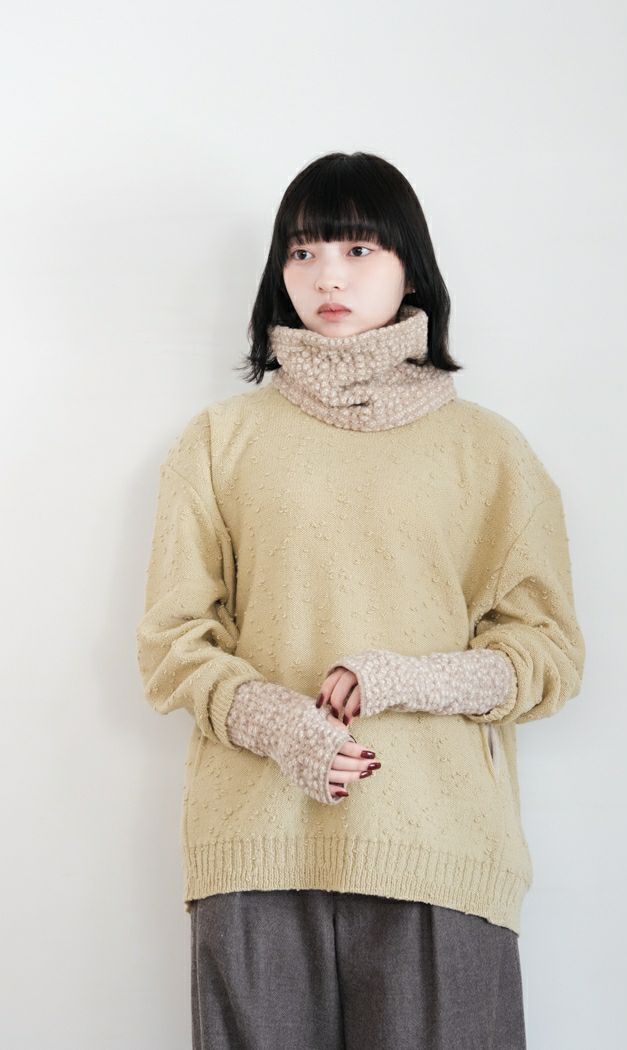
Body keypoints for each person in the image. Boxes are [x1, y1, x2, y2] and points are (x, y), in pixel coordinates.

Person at [136, 150, 586, 1050]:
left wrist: (399, 678)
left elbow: (547, 656)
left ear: (410, 267)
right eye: (302, 252)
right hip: (256, 850)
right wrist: (281, 724)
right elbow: (173, 643)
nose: (327, 277)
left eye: (357, 248)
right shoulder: (220, 441)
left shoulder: (490, 453)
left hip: (440, 853)